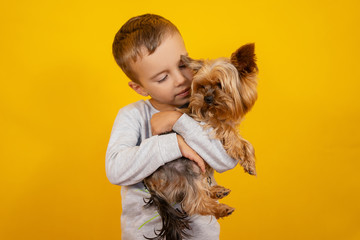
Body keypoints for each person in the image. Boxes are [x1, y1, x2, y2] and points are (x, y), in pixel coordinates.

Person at [106, 13, 238, 240]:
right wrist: (173, 143)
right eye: (162, 78)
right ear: (139, 88)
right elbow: (115, 169)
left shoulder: (204, 105)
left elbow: (227, 160)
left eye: (182, 64)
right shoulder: (133, 116)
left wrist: (179, 122)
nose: (180, 80)